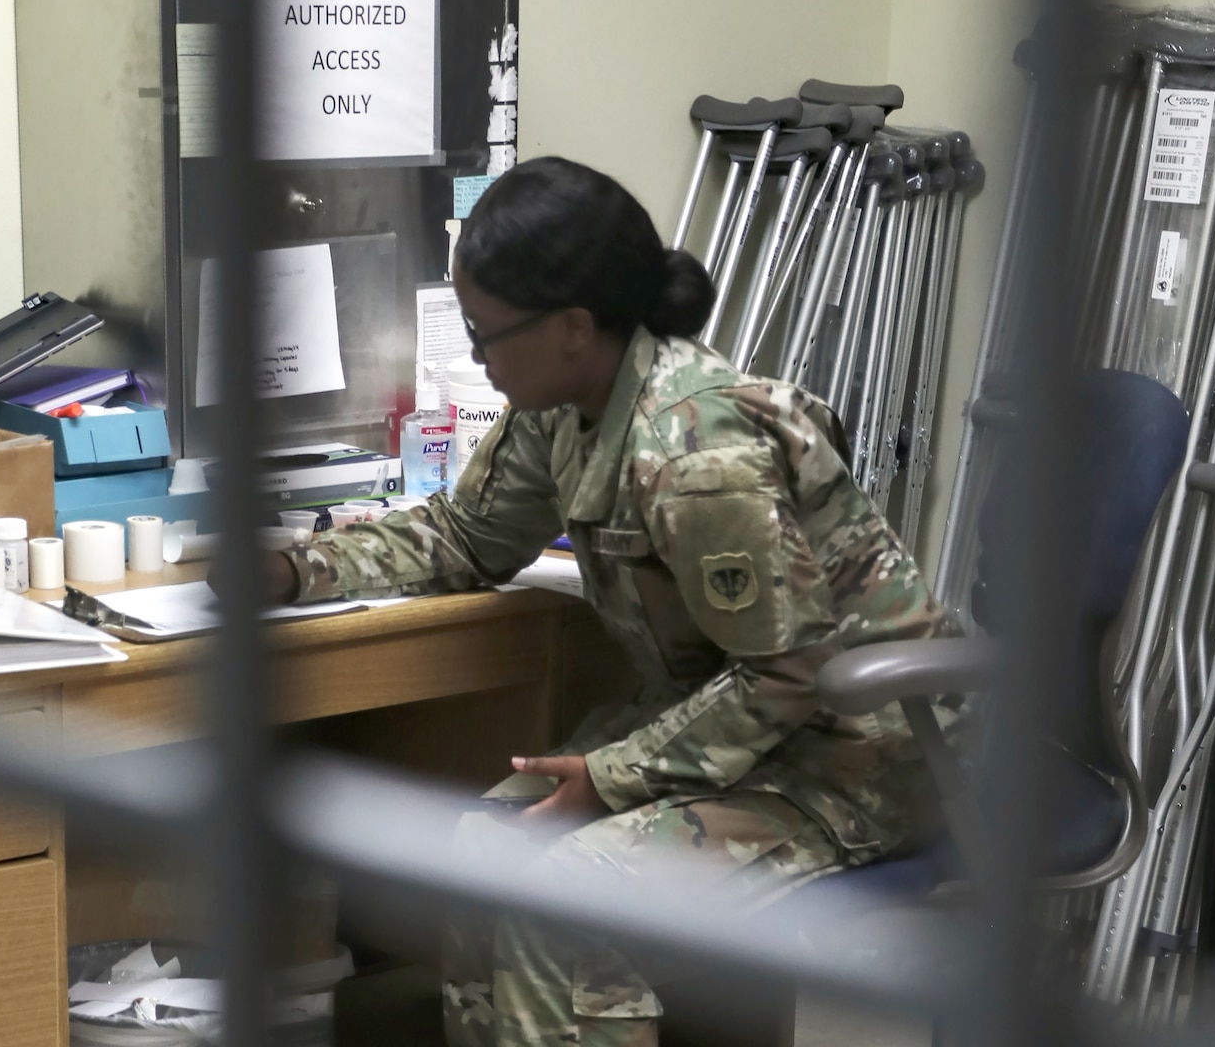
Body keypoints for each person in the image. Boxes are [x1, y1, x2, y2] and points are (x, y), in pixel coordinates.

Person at [259, 156, 956, 1047]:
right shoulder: (562, 405)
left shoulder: (695, 454)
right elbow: (467, 536)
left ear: (573, 327)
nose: (475, 359)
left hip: (856, 761)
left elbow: (795, 671)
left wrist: (613, 778)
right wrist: (294, 570)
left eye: (485, 337)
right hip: (732, 742)